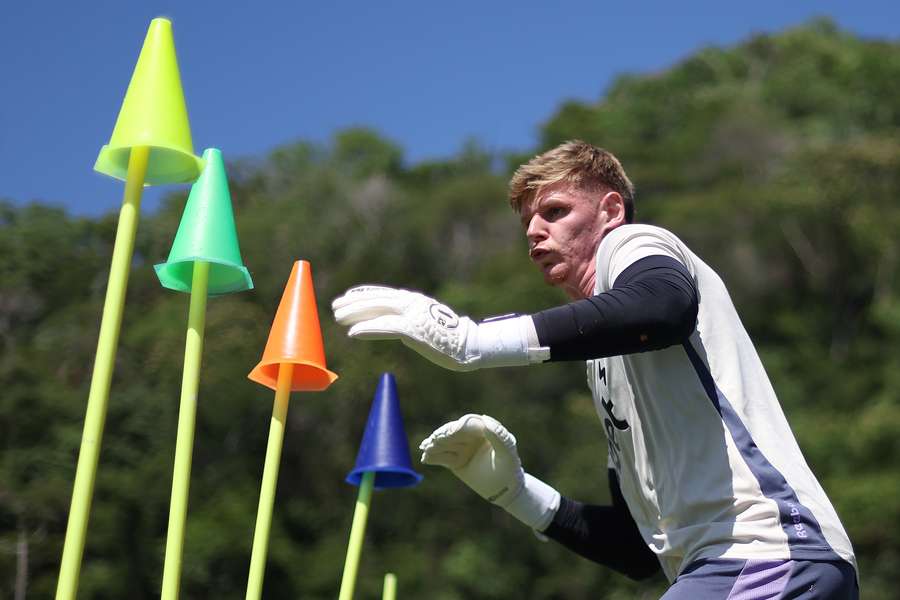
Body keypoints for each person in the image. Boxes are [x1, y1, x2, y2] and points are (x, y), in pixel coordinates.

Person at [331, 141, 858, 598]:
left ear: (610, 209)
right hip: (727, 572)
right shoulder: (603, 359)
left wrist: (471, 341)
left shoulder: (632, 245)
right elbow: (637, 550)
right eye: (528, 223)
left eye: (554, 211)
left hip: (771, 554)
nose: (535, 233)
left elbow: (661, 309)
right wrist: (516, 494)